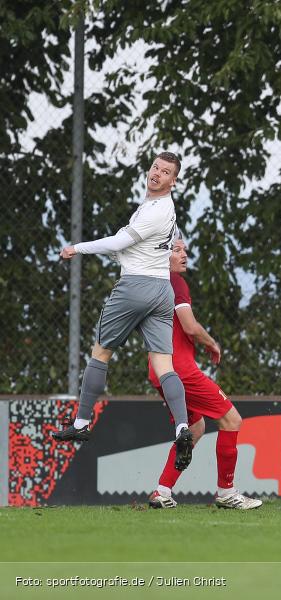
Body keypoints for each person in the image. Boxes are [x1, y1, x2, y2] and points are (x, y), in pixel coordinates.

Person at [53, 152, 193, 472]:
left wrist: (77, 247)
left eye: (166, 172)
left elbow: (117, 244)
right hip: (161, 291)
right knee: (163, 364)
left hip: (135, 287)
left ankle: (82, 422)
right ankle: (181, 428)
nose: (157, 173)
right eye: (156, 167)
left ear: (174, 182)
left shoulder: (155, 210)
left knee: (100, 353)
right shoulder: (162, 209)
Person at [146, 240, 261, 510]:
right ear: (162, 256)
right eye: (177, 250)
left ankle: (162, 491)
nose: (184, 254)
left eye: (184, 250)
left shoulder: (149, 285)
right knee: (232, 420)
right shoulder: (174, 282)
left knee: (194, 428)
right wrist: (211, 343)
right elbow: (190, 326)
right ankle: (227, 492)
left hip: (158, 369)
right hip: (180, 370)